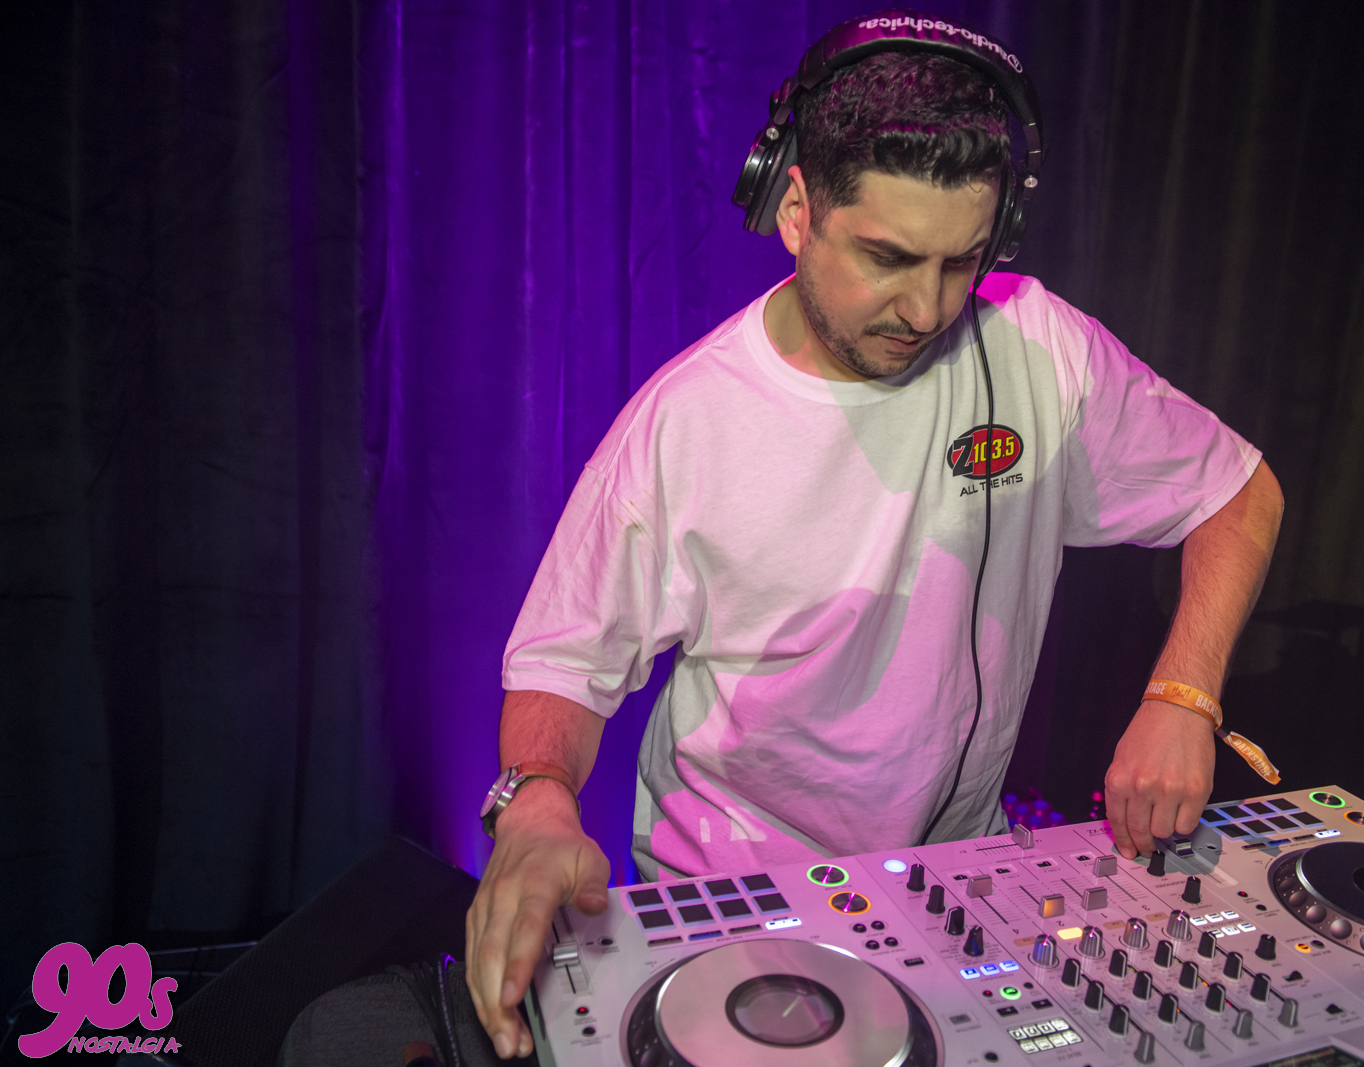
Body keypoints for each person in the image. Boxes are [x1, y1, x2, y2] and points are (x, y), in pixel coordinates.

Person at [465, 14, 1283, 1060]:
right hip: (734, 905)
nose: (926, 307)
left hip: (954, 886)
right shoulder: (689, 420)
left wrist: (1183, 695)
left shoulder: (1039, 349)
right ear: (794, 207)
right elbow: (564, 663)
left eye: (961, 261)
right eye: (887, 257)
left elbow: (1237, 492)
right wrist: (536, 801)